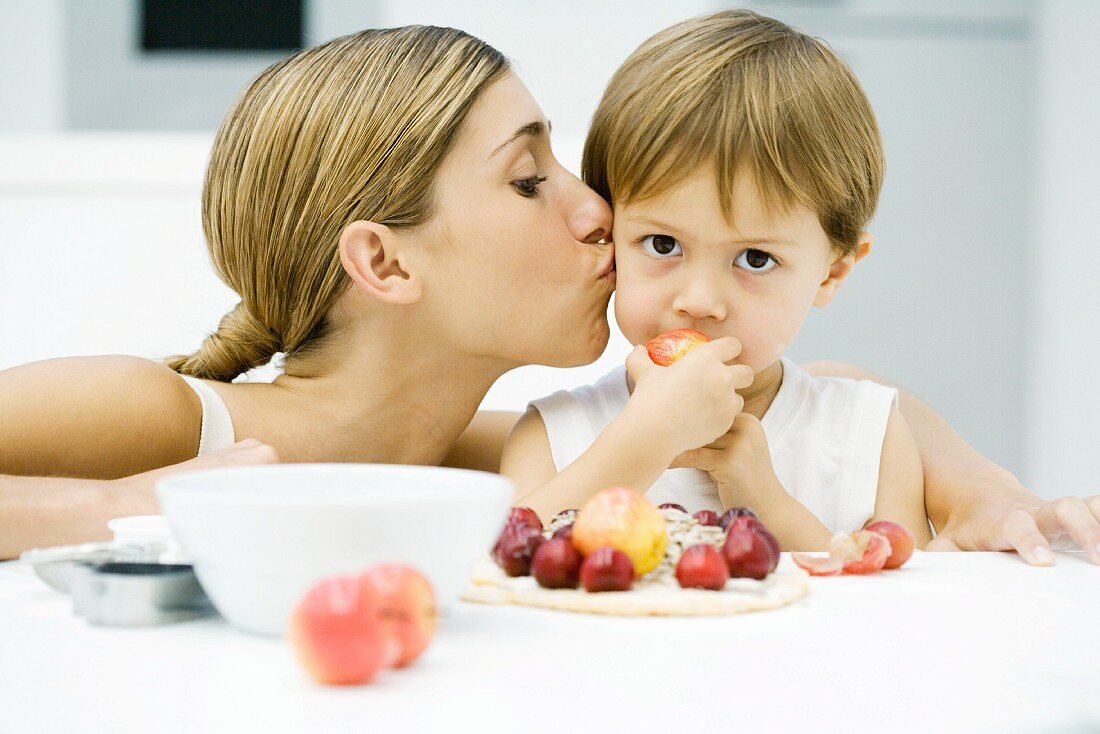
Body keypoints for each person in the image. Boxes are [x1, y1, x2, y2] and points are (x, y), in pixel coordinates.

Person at [0, 25, 1095, 564]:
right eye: (531, 179)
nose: (596, 213)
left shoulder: (469, 448)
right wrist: (117, 508)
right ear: (385, 264)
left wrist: (981, 487)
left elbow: (823, 397)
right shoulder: (172, 417)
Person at [501, 10, 928, 551]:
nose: (698, 302)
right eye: (662, 245)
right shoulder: (555, 433)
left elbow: (902, 615)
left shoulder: (869, 436)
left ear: (833, 271)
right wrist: (644, 441)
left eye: (754, 258)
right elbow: (507, 565)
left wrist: (766, 503)